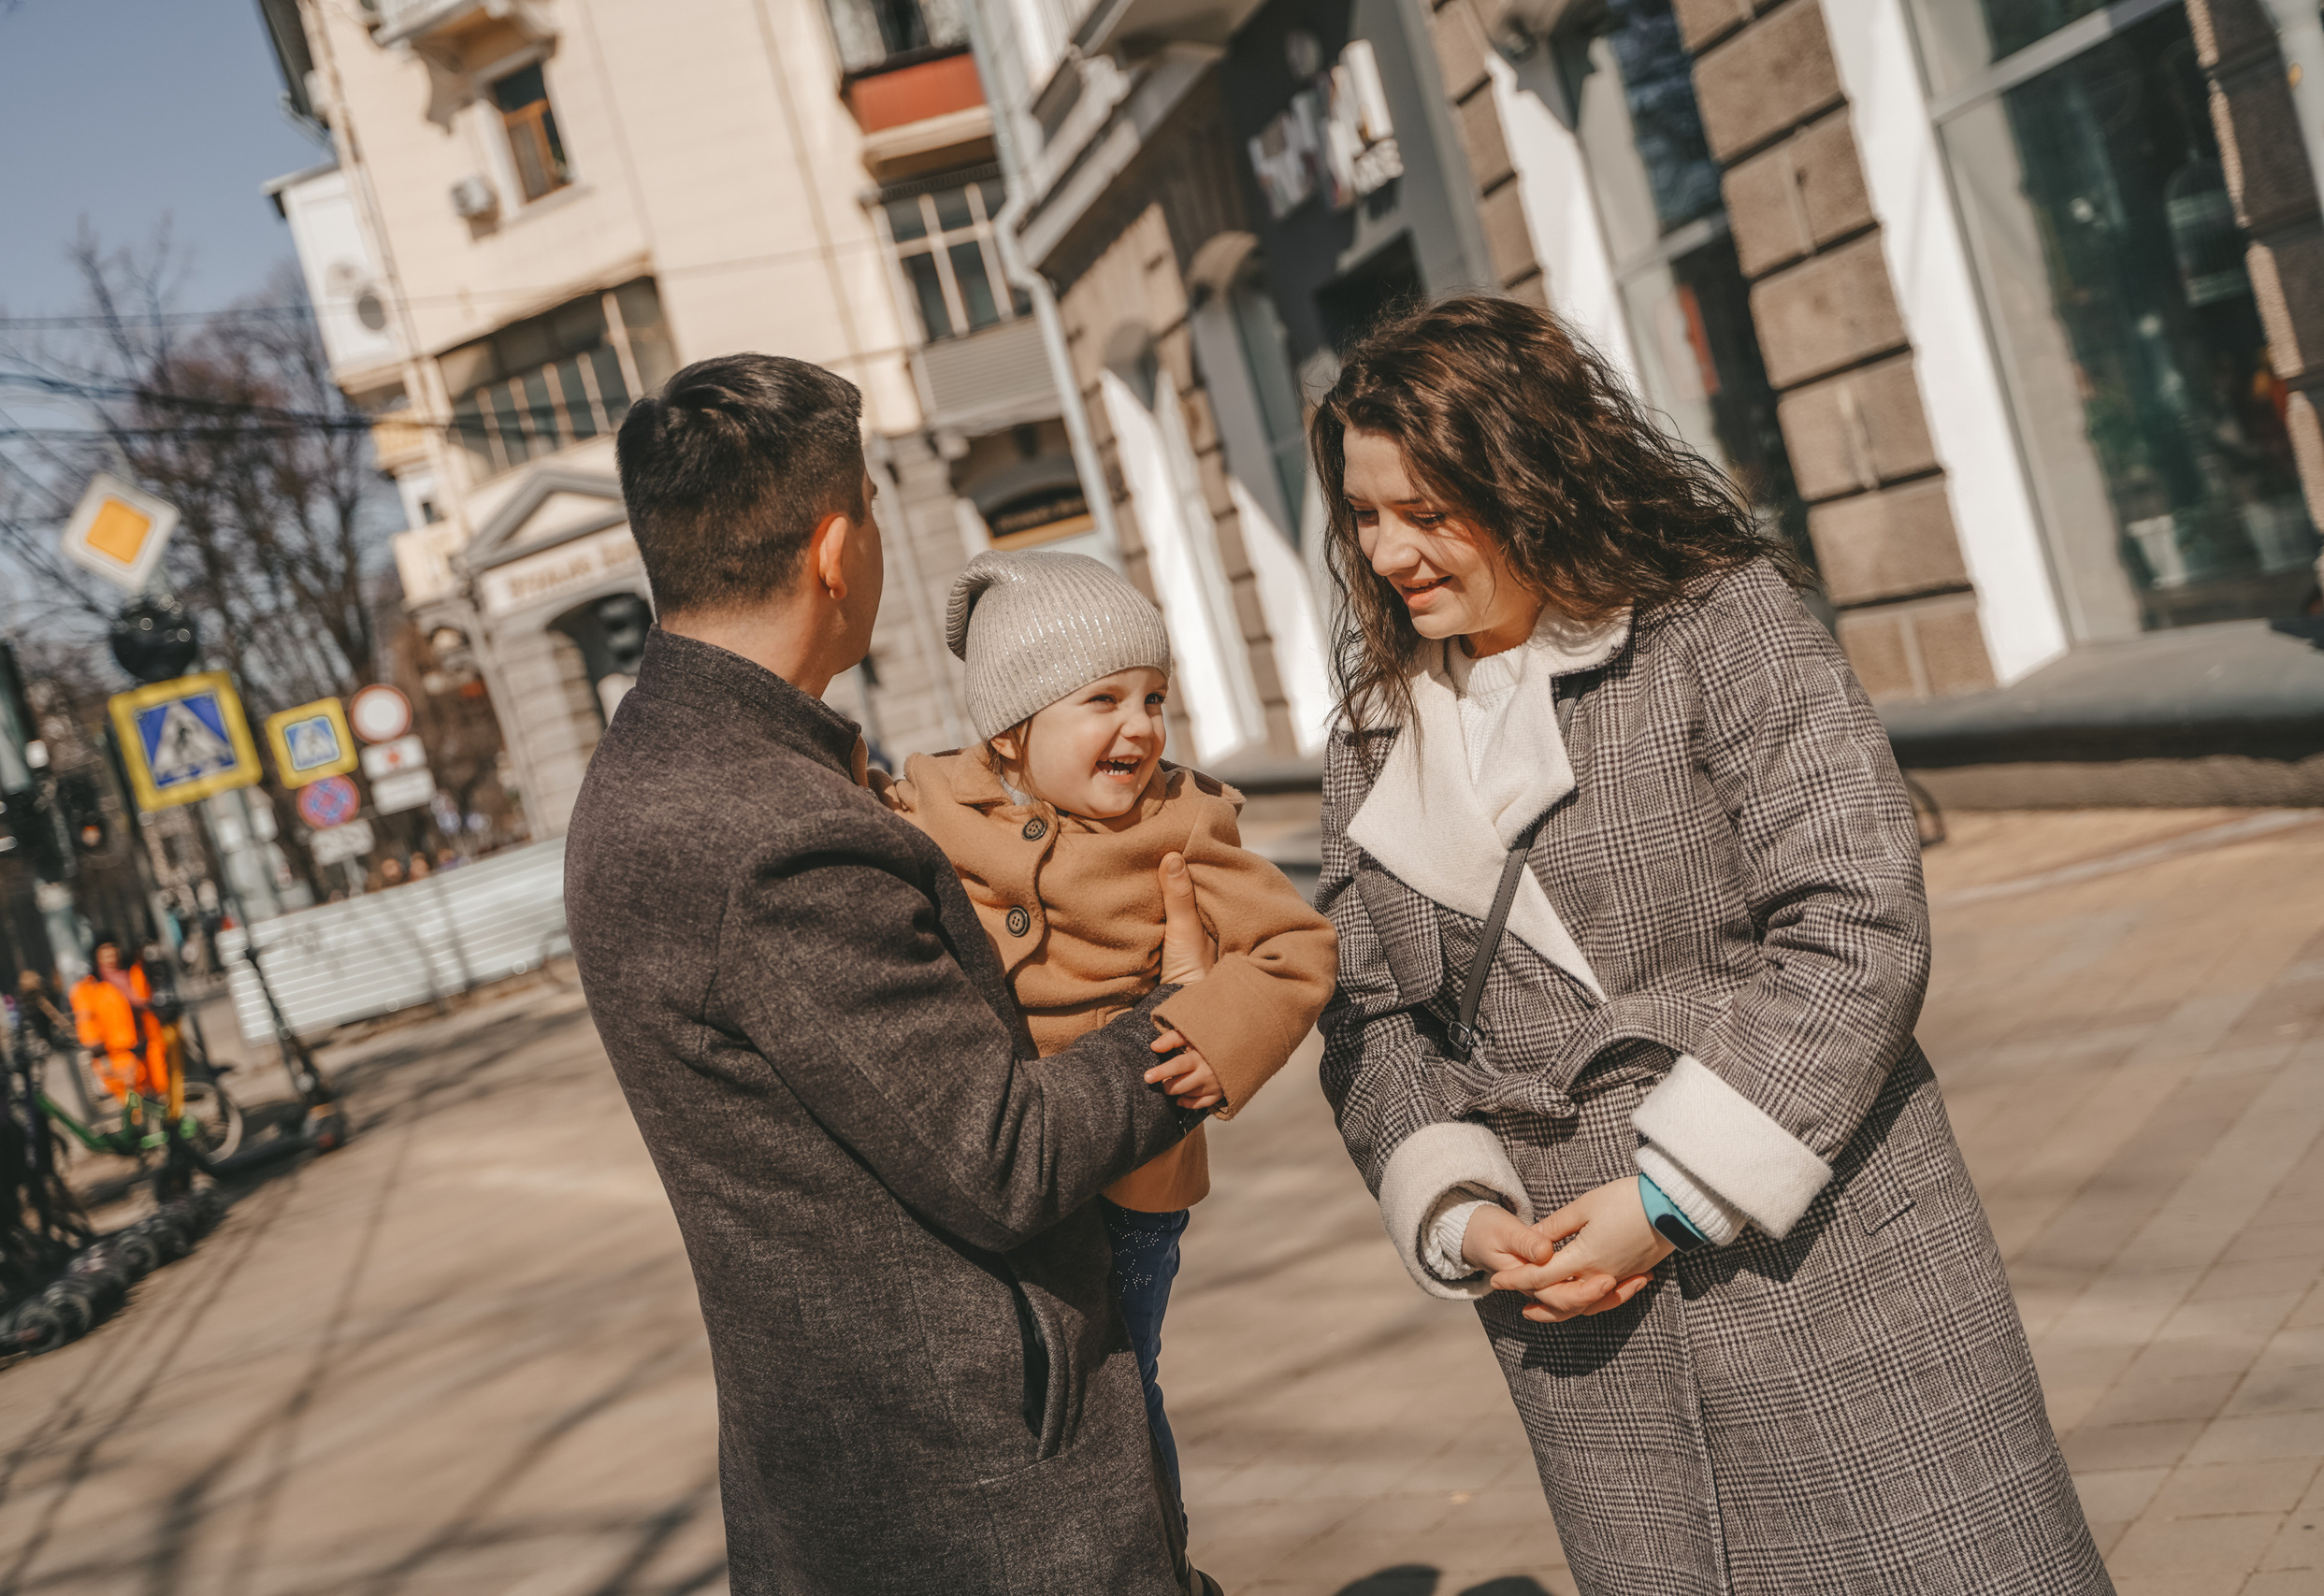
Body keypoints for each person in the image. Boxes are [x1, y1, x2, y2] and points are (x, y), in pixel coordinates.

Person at [1312, 297, 2109, 1594]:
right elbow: (1369, 1017)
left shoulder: (1715, 624)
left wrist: (1675, 1195)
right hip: (1577, 1302)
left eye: (1428, 508)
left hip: (1822, 1246)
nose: (1389, 549)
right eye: (1363, 512)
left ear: (1528, 474)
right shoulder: (1370, 736)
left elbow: (1857, 917)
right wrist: (1457, 1207)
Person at [564, 353, 1234, 1595]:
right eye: (871, 505)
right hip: (973, 1499)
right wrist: (1179, 1019)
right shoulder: (770, 827)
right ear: (836, 547)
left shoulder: (654, 773)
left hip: (860, 1477)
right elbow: (1001, 1153)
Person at [873, 549, 1335, 1522]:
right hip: (999, 1165)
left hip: (1129, 1186)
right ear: (1007, 730)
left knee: (1121, 1387)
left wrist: (1213, 1030)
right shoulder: (933, 807)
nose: (1140, 726)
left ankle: (1150, 1555)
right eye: (1102, 701)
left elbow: (1292, 947)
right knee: (1023, 1404)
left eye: (1154, 699)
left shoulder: (1182, 824)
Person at [69, 931, 167, 1100]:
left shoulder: (135, 972)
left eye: (113, 951)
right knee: (134, 1105)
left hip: (149, 1044)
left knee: (162, 1095)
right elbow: (87, 1025)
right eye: (105, 953)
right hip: (119, 1055)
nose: (111, 956)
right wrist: (99, 1054)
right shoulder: (89, 988)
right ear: (96, 957)